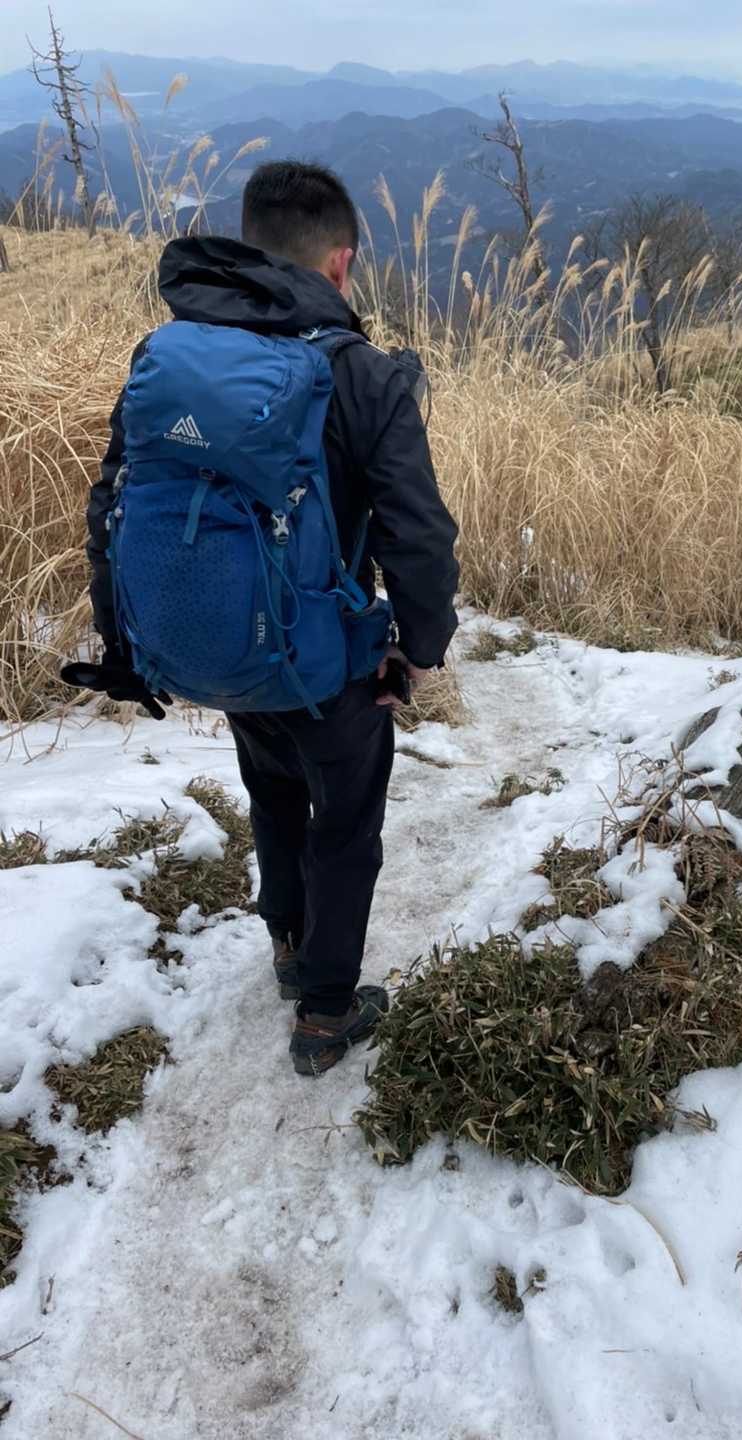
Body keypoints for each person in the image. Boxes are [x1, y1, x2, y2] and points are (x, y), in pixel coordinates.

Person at [82, 161, 459, 1076]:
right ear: (340, 262)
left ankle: (287, 943)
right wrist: (420, 649)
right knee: (346, 824)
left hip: (219, 644)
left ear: (248, 245)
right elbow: (417, 533)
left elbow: (112, 505)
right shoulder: (362, 376)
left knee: (273, 788)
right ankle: (326, 1011)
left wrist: (122, 637)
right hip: (327, 660)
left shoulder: (172, 355)